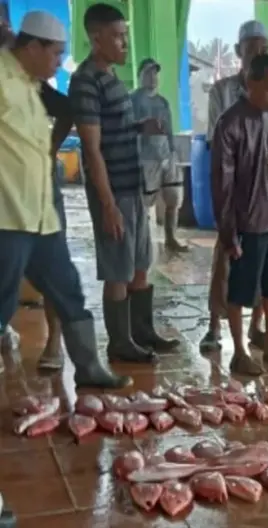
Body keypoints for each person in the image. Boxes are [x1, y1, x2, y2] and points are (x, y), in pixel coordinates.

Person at [0, 10, 130, 390]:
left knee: (68, 288)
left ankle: (89, 368)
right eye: (55, 54)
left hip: (43, 216)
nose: (59, 63)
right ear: (33, 47)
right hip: (8, 217)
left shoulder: (29, 83)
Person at [68, 3, 178, 363]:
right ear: (95, 38)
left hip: (134, 188)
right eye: (117, 37)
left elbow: (114, 128)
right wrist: (108, 204)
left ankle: (141, 331)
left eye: (125, 36)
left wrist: (139, 127)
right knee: (118, 268)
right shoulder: (85, 81)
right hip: (113, 191)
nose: (124, 44)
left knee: (140, 262)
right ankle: (120, 342)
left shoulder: (113, 79)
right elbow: (93, 149)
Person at [200, 20, 268, 359]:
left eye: (265, 48)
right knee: (236, 283)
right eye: (253, 47)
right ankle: (231, 342)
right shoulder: (229, 115)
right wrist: (227, 227)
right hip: (245, 217)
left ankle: (266, 341)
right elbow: (222, 177)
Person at [131, 57, 187, 253]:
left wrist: (173, 153)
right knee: (144, 203)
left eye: (155, 73)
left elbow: (169, 129)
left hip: (166, 156)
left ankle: (170, 238)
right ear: (140, 76)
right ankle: (142, 242)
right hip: (145, 157)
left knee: (173, 198)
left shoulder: (163, 102)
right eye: (148, 73)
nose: (153, 77)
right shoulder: (133, 100)